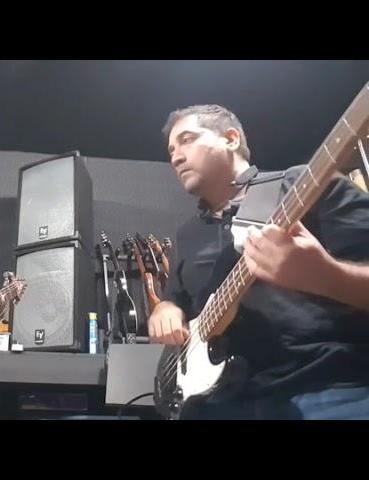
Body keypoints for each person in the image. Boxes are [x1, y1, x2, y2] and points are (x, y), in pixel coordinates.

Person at [148, 104, 369, 420]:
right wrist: (165, 309)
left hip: (325, 389)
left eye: (187, 139)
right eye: (171, 150)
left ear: (231, 139)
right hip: (220, 403)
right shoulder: (187, 235)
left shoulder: (300, 185)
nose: (176, 157)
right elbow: (176, 300)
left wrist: (327, 276)